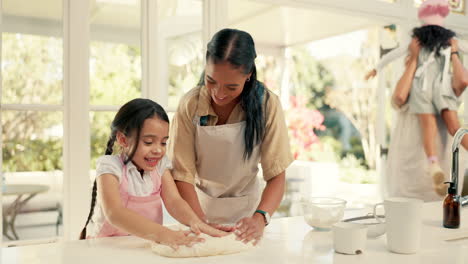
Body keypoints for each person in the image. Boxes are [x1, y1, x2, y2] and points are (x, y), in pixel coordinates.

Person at [168, 28, 293, 244]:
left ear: (249, 75)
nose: (219, 93)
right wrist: (200, 221)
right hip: (196, 210)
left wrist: (260, 219)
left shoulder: (267, 105)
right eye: (211, 81)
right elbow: (182, 174)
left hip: (247, 217)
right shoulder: (191, 104)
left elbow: (276, 176)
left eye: (231, 86)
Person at [79, 98, 226, 249]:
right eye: (149, 142)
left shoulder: (160, 166)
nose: (158, 150)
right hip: (109, 247)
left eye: (163, 142)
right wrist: (164, 234)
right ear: (123, 140)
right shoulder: (110, 167)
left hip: (146, 245)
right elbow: (114, 213)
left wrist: (198, 224)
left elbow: (174, 202)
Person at [365, 0, 468, 194]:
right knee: (455, 127)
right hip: (442, 88)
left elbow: (395, 54)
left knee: (430, 125)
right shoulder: (448, 43)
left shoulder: (418, 44)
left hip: (422, 88)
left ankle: (433, 163)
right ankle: (435, 165)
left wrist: (377, 68)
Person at [384, 40, 467, 201]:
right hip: (408, 175)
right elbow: (399, 97)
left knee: (443, 221)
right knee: (404, 220)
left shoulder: (447, 83)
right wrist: (414, 59)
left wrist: (454, 53)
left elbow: (463, 80)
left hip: (443, 175)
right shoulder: (408, 86)